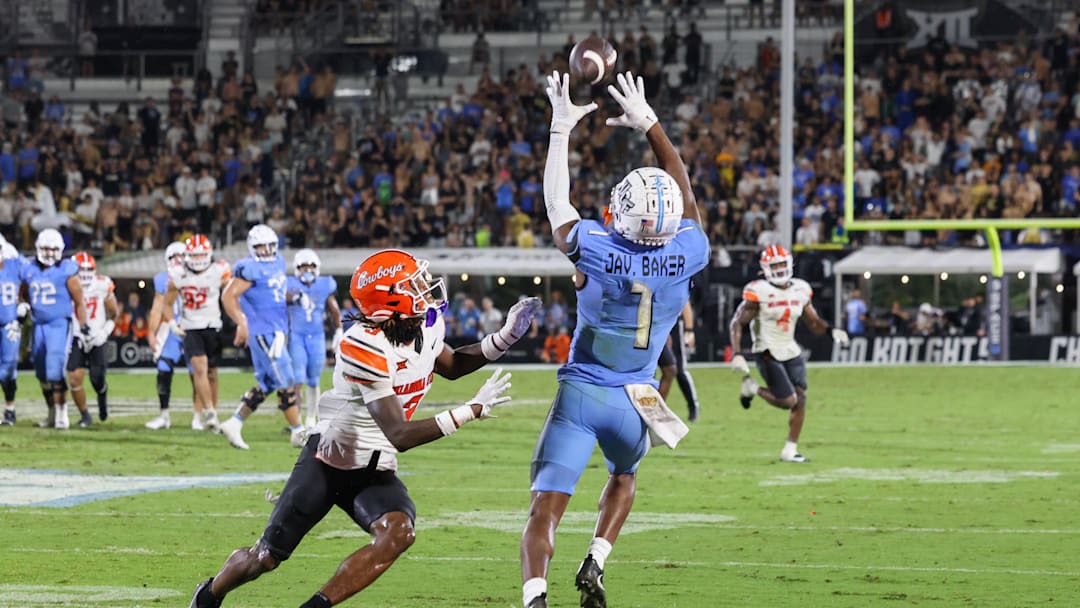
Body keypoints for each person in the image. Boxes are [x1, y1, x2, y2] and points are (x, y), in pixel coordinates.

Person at [188, 250, 542, 608]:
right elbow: (399, 434)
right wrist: (469, 411)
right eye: (413, 284)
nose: (425, 287)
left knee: (398, 533)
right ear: (390, 300)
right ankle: (207, 596)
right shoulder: (363, 344)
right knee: (264, 558)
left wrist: (504, 338)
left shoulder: (425, 324)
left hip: (375, 467)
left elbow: (449, 364)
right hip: (328, 462)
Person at [520, 71, 710, 608]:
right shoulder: (688, 252)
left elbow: (557, 206)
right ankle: (597, 559)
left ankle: (536, 598)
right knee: (624, 477)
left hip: (582, 394)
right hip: (635, 399)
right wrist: (651, 124)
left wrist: (561, 129)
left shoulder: (597, 248)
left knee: (544, 510)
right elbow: (687, 198)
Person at [728, 245, 850, 463]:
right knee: (787, 400)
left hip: (790, 349)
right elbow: (737, 323)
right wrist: (737, 353)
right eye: (774, 266)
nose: (779, 269)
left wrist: (831, 330)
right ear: (765, 268)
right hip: (766, 349)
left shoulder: (800, 289)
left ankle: (790, 450)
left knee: (801, 398)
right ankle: (752, 388)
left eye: (781, 264)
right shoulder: (758, 291)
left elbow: (813, 322)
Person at [218, 224, 301, 450]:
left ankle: (234, 423)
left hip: (277, 328)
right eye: (260, 246)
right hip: (264, 330)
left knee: (269, 382)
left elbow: (274, 291)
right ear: (252, 247)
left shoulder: (279, 262)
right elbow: (228, 296)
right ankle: (298, 431)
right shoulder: (249, 267)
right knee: (286, 379)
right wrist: (241, 322)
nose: (266, 250)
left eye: (269, 245)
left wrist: (292, 298)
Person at [21, 229, 90, 429]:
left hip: (59, 324)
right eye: (46, 249)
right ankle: (52, 412)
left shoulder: (66, 270)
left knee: (54, 369)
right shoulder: (29, 269)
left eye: (53, 249)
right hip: (38, 325)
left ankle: (62, 413)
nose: (50, 253)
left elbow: (79, 301)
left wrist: (83, 325)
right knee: (41, 373)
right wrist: (23, 305)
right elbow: (23, 292)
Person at [162, 234, 228, 433]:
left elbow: (232, 295)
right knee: (200, 368)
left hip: (213, 325)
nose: (198, 260)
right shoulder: (178, 274)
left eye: (201, 255)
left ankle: (214, 411)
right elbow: (166, 303)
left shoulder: (219, 271)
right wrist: (172, 323)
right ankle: (210, 413)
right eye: (195, 255)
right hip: (190, 326)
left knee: (212, 373)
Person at [146, 242, 206, 430]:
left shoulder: (198, 276)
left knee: (196, 373)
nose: (178, 260)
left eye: (181, 255)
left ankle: (198, 417)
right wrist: (151, 332)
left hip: (193, 328)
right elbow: (157, 308)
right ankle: (164, 416)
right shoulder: (163, 279)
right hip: (171, 329)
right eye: (174, 257)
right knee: (163, 368)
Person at [286, 248, 341, 428]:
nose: (307, 270)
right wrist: (294, 297)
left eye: (310, 266)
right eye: (303, 267)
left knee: (313, 379)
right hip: (297, 336)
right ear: (297, 268)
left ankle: (311, 418)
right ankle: (296, 421)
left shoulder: (325, 284)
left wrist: (339, 331)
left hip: (317, 337)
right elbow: (281, 299)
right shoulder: (289, 283)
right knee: (297, 379)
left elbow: (334, 309)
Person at [66, 252, 119, 427]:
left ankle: (102, 394)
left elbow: (114, 313)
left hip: (97, 337)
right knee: (74, 378)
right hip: (76, 335)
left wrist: (104, 332)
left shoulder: (102, 284)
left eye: (89, 269)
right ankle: (85, 415)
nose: (85, 273)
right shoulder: (66, 284)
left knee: (97, 379)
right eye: (81, 269)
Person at [657, 301, 701, 422]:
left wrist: (689, 329)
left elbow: (684, 300)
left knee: (678, 368)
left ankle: (693, 405)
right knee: (650, 371)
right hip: (653, 323)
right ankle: (653, 410)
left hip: (672, 322)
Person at [0, 239, 23, 425]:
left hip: (9, 325)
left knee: (8, 369)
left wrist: (24, 306)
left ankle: (10, 409)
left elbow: (32, 281)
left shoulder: (15, 265)